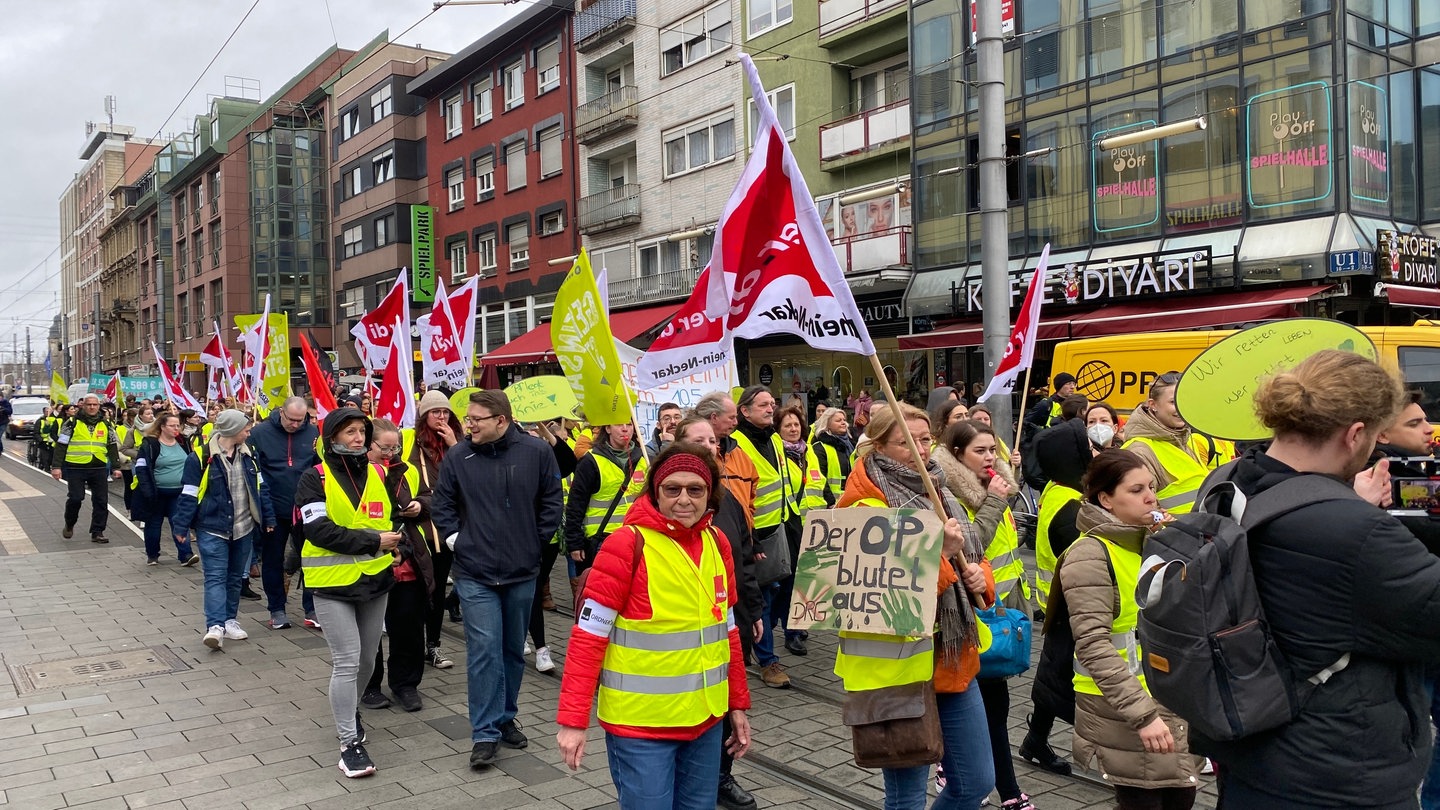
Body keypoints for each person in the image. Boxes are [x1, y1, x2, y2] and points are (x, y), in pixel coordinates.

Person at [1200, 350, 1440, 807]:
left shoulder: (1229, 481)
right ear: (1354, 434)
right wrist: (1357, 516)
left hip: (1251, 749)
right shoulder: (1356, 531)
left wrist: (1350, 506)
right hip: (1338, 771)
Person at [555, 443, 753, 810]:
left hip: (705, 720)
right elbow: (587, 640)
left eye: (695, 490)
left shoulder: (717, 543)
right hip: (641, 726)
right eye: (671, 488)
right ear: (654, 492)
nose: (684, 499)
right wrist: (572, 720)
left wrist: (737, 704)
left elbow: (727, 632)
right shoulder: (626, 545)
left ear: (710, 494)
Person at [837, 402, 996, 810]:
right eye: (907, 442)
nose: (921, 449)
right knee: (906, 797)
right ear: (879, 446)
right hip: (899, 669)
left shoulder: (940, 489)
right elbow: (885, 591)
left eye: (925, 439)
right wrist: (939, 555)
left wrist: (981, 577)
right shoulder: (862, 505)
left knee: (976, 781)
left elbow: (974, 556)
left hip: (953, 657)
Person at [1061, 449, 1201, 809]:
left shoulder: (1150, 542)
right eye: (1136, 490)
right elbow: (1093, 644)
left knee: (1179, 794)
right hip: (1123, 706)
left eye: (1152, 487)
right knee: (1147, 799)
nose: (1151, 497)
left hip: (1164, 695)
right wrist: (1143, 715)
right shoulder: (1090, 554)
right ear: (1106, 500)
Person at [431, 390, 562, 770]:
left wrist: (534, 542)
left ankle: (506, 718)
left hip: (522, 572)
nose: (467, 424)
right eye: (468, 418)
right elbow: (442, 504)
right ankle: (485, 733)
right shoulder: (459, 456)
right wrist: (458, 541)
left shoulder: (536, 453)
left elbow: (552, 500)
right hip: (475, 573)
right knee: (485, 649)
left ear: (501, 421)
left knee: (511, 650)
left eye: (475, 419)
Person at [293, 407, 402, 779]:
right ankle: (349, 743)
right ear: (332, 437)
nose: (357, 438)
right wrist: (374, 540)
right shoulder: (314, 478)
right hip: (332, 584)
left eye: (361, 431)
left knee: (369, 661)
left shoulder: (378, 472)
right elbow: (319, 531)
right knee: (347, 660)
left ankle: (349, 709)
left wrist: (397, 535)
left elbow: (388, 517)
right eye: (349, 432)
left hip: (375, 580)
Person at [934, 420, 1035, 810]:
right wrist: (994, 501)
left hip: (996, 607)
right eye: (980, 450)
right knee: (990, 707)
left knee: (995, 704)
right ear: (957, 454)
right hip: (964, 616)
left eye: (993, 449)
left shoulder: (992, 485)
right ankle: (1006, 789)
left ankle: (977, 774)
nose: (990, 457)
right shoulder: (952, 490)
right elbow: (973, 545)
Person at [674, 415, 763, 810]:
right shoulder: (675, 497)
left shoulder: (725, 496)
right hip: (683, 629)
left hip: (731, 615)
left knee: (728, 698)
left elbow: (743, 557)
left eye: (713, 441)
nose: (711, 447)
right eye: (699, 440)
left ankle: (721, 775)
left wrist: (755, 610)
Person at [1021, 418, 1098, 777]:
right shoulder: (1071, 510)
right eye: (1088, 449)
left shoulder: (1058, 490)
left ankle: (1035, 740)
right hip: (1075, 606)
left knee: (1053, 675)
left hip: (1061, 606)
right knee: (1064, 679)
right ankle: (1108, 746)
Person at [171, 409, 276, 651]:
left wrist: (268, 517)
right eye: (246, 428)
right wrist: (181, 526)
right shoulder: (200, 457)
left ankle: (230, 621)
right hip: (212, 527)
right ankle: (215, 626)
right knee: (216, 577)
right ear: (232, 430)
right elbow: (188, 493)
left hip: (243, 527)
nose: (249, 432)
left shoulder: (250, 456)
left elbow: (262, 489)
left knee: (234, 577)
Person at [358, 418, 434, 714]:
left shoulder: (409, 470)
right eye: (384, 447)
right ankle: (370, 685)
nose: (391, 453)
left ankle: (405, 684)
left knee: (409, 628)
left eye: (396, 447)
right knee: (371, 631)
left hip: (409, 561)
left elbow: (429, 497)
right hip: (373, 561)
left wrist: (419, 505)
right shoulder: (357, 473)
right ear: (369, 445)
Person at [730, 385, 799, 689]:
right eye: (763, 405)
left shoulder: (773, 437)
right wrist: (749, 536)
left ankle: (753, 639)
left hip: (783, 526)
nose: (771, 409)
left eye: (772, 404)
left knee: (785, 591)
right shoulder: (736, 444)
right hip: (754, 533)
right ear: (744, 411)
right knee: (764, 598)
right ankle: (768, 660)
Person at [248, 396, 322, 629]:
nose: (296, 424)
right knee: (273, 559)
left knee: (311, 559)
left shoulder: (313, 434)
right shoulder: (260, 434)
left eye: (301, 420)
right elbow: (255, 470)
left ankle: (311, 608)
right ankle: (277, 609)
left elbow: (319, 465)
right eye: (292, 419)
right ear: (281, 412)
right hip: (273, 508)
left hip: (305, 509)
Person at [408, 390, 463, 667]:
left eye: (445, 412)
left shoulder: (458, 442)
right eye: (435, 412)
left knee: (439, 587)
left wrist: (454, 445)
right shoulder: (413, 444)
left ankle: (434, 645)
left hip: (448, 528)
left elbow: (469, 474)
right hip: (420, 529)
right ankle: (416, 645)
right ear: (424, 416)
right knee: (420, 590)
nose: (442, 417)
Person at [775, 405, 825, 658]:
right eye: (787, 426)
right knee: (791, 582)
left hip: (813, 528)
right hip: (790, 526)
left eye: (796, 424)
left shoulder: (808, 452)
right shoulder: (777, 454)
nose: (793, 429)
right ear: (779, 430)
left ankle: (797, 623)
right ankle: (790, 632)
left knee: (806, 581)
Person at [1120, 373, 1208, 515]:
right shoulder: (1139, 451)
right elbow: (1138, 514)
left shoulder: (1184, 439)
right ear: (1153, 405)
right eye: (1173, 402)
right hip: (1172, 534)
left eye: (1184, 400)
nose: (1181, 408)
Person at [566, 423, 646, 574]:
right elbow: (576, 504)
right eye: (618, 425)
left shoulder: (645, 459)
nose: (625, 429)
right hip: (603, 540)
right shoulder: (591, 461)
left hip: (637, 537)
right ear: (607, 429)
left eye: (629, 424)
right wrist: (574, 543)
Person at [51, 394, 122, 543]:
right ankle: (69, 523)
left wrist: (116, 466)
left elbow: (112, 446)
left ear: (98, 406)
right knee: (76, 498)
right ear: (82, 406)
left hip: (99, 466)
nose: (92, 407)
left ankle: (98, 531)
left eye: (95, 405)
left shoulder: (106, 424)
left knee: (101, 500)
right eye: (88, 404)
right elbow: (61, 445)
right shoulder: (71, 423)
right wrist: (56, 467)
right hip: (76, 467)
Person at [132, 412, 199, 566]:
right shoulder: (150, 444)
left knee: (179, 523)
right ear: (162, 427)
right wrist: (147, 490)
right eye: (172, 425)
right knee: (154, 525)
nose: (176, 428)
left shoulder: (184, 442)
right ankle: (153, 554)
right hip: (157, 493)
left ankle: (185, 554)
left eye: (178, 425)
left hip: (179, 493)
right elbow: (141, 468)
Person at [811, 406, 853, 506]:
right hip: (831, 504)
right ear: (827, 424)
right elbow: (820, 478)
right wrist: (830, 502)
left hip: (850, 501)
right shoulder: (819, 447)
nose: (843, 423)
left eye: (844, 420)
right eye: (838, 420)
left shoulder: (851, 445)